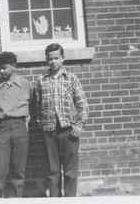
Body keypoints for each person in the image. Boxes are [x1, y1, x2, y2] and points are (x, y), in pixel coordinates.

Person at [35, 43, 88, 197]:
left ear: (63, 59)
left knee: (70, 172)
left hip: (69, 131)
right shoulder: (41, 81)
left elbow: (82, 104)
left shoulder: (71, 79)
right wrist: (41, 124)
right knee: (53, 171)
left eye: (56, 58)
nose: (53, 62)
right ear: (46, 60)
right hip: (49, 132)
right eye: (50, 59)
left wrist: (79, 126)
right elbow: (37, 106)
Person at [0, 52, 33, 197]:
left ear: (14, 66)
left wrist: (26, 122)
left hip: (20, 127)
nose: (1, 71)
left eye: (4, 68)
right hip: (1, 128)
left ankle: (16, 198)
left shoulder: (25, 84)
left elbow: (32, 105)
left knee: (18, 169)